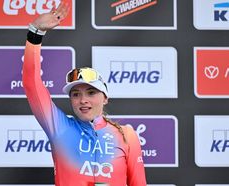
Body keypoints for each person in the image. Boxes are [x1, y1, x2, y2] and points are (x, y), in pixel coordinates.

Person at [22, 2, 147, 186]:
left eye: (91, 92)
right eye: (75, 94)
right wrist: (35, 33)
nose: (83, 100)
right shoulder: (60, 127)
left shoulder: (127, 135)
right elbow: (32, 85)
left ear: (105, 98)